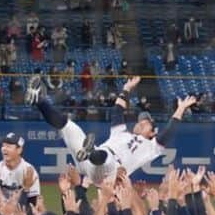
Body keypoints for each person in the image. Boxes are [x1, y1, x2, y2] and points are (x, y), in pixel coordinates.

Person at [33, 77, 197, 185]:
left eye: (145, 122)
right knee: (68, 126)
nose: (140, 123)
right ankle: (38, 101)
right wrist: (126, 89)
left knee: (107, 158)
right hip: (89, 161)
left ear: (153, 132)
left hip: (108, 175)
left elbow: (168, 132)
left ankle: (90, 151)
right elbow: (117, 111)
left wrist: (181, 108)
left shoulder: (152, 147)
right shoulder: (122, 132)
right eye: (140, 120)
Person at [0, 132, 40, 207]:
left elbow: (32, 205)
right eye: (3, 146)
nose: (4, 149)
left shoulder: (29, 171)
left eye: (8, 146)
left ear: (19, 150)